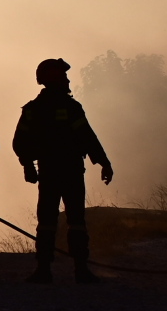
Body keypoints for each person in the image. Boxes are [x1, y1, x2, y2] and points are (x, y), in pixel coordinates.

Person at [13, 58, 114, 284]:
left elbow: (20, 142)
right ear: (51, 78)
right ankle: (79, 270)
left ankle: (44, 270)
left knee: (48, 220)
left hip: (52, 171)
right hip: (68, 171)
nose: (67, 79)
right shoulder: (69, 108)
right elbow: (88, 138)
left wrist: (27, 165)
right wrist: (104, 162)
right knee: (74, 220)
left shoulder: (35, 109)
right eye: (63, 75)